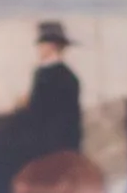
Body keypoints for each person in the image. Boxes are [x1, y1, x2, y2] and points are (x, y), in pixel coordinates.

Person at [19, 20, 83, 160]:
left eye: (42, 44)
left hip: (48, 146)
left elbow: (40, 111)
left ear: (52, 46)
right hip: (67, 146)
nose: (39, 49)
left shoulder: (46, 74)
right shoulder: (69, 76)